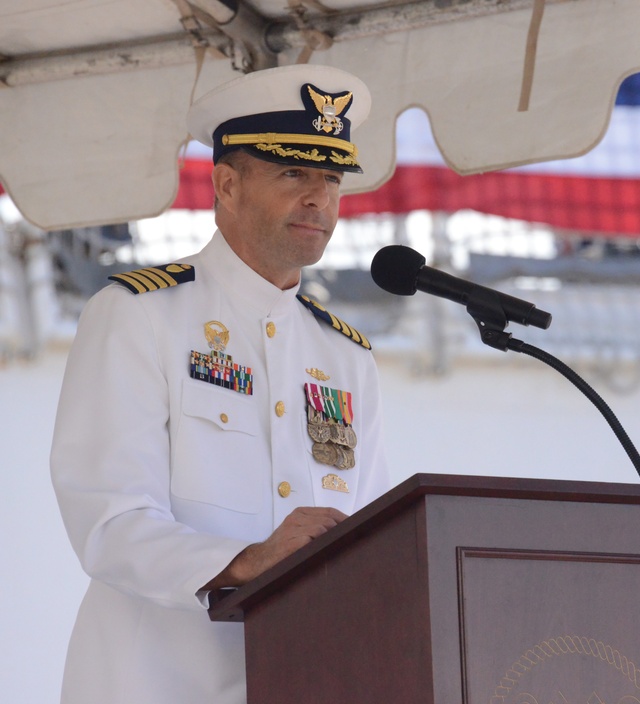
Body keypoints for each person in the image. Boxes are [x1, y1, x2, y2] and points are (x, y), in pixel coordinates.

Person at [50, 64, 391, 704]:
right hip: (155, 685)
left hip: (303, 679)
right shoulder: (140, 314)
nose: (319, 198)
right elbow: (108, 520)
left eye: (331, 179)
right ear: (227, 185)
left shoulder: (346, 357)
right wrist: (244, 560)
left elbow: (364, 540)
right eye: (294, 173)